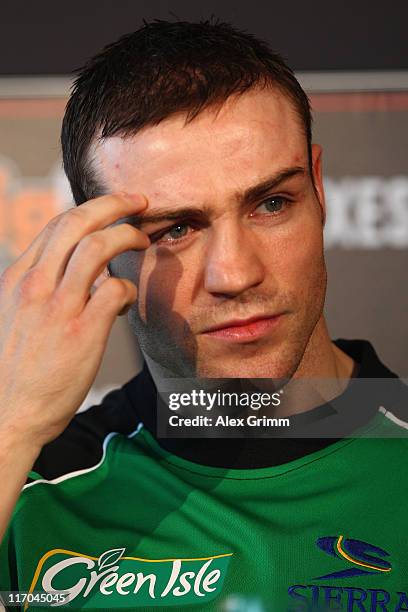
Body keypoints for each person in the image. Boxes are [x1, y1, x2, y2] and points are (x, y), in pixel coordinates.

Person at [0, 19, 407, 612]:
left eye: (272, 203)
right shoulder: (28, 487)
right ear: (98, 245)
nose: (236, 274)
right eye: (177, 229)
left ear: (318, 190)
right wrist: (11, 427)